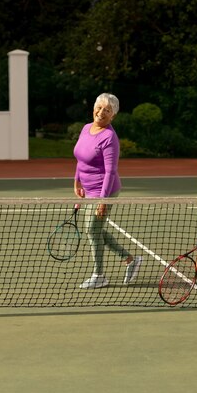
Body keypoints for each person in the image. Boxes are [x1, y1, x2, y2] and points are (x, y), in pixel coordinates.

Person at [73, 93, 143, 289]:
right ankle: (130, 259)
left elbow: (110, 171)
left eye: (107, 110)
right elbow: (80, 158)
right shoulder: (86, 128)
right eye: (99, 107)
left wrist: (103, 201)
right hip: (88, 188)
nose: (101, 112)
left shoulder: (109, 137)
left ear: (113, 116)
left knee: (92, 230)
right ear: (94, 108)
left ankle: (99, 275)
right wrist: (77, 181)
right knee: (95, 230)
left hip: (105, 190)